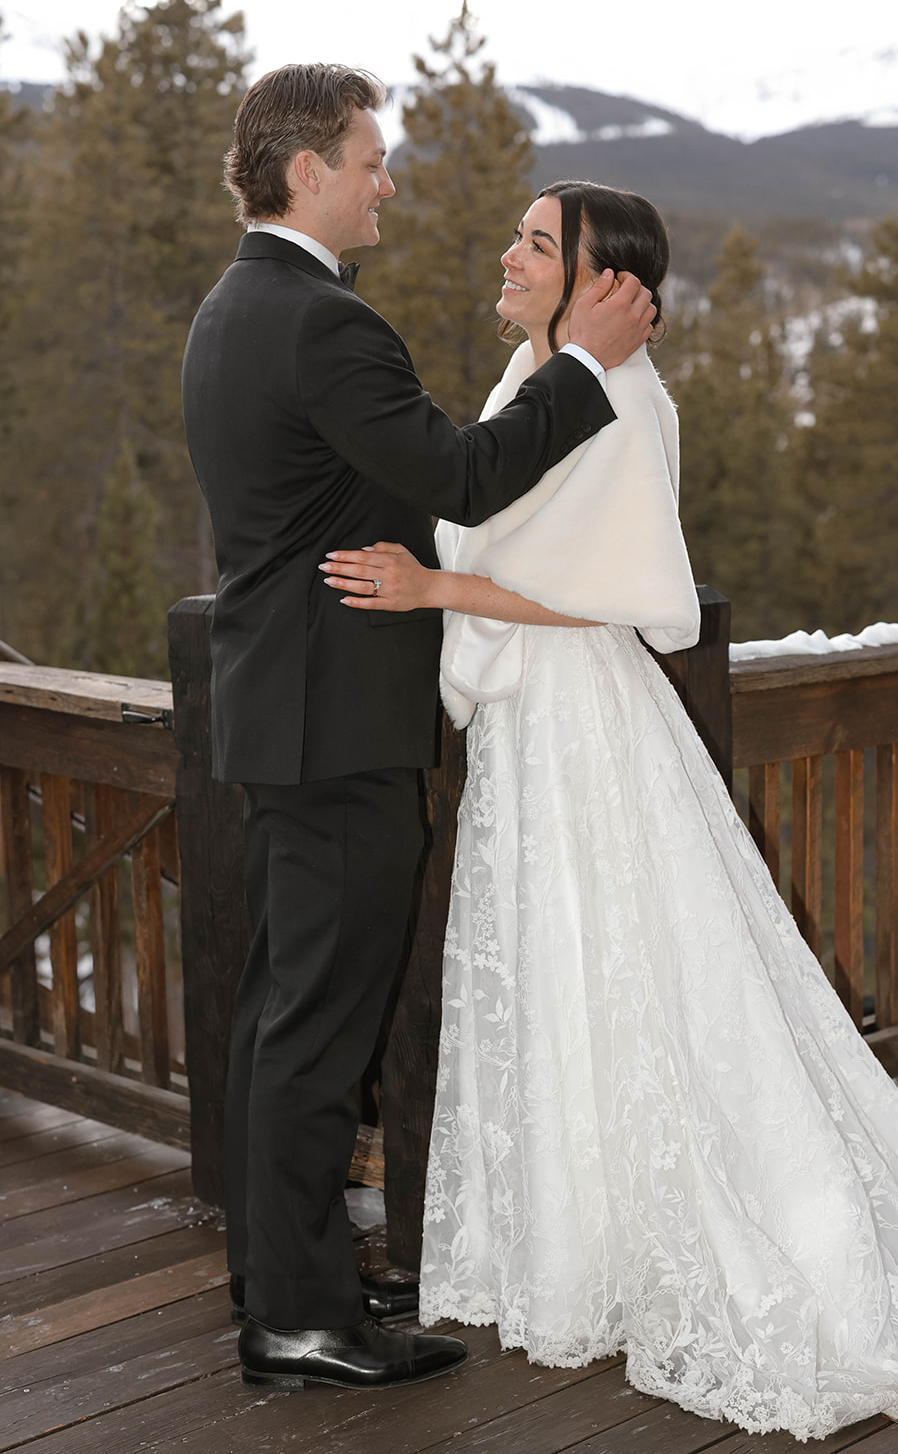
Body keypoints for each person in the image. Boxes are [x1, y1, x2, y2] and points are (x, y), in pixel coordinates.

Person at [320, 179, 898, 1437]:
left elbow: (607, 595)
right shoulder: (532, 381)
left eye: (536, 243)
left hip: (583, 722)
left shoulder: (620, 399)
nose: (507, 252)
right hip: (529, 729)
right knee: (562, 976)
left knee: (621, 971)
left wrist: (429, 585)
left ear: (599, 281)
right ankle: (573, 1241)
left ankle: (698, 1236)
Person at [181, 72, 657, 1396]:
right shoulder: (324, 322)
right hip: (338, 726)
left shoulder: (233, 308)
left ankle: (291, 1279)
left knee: (281, 1018)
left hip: (286, 715)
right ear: (305, 174)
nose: (386, 181)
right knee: (315, 1031)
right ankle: (300, 1317)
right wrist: (583, 370)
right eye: (370, 160)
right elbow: (456, 473)